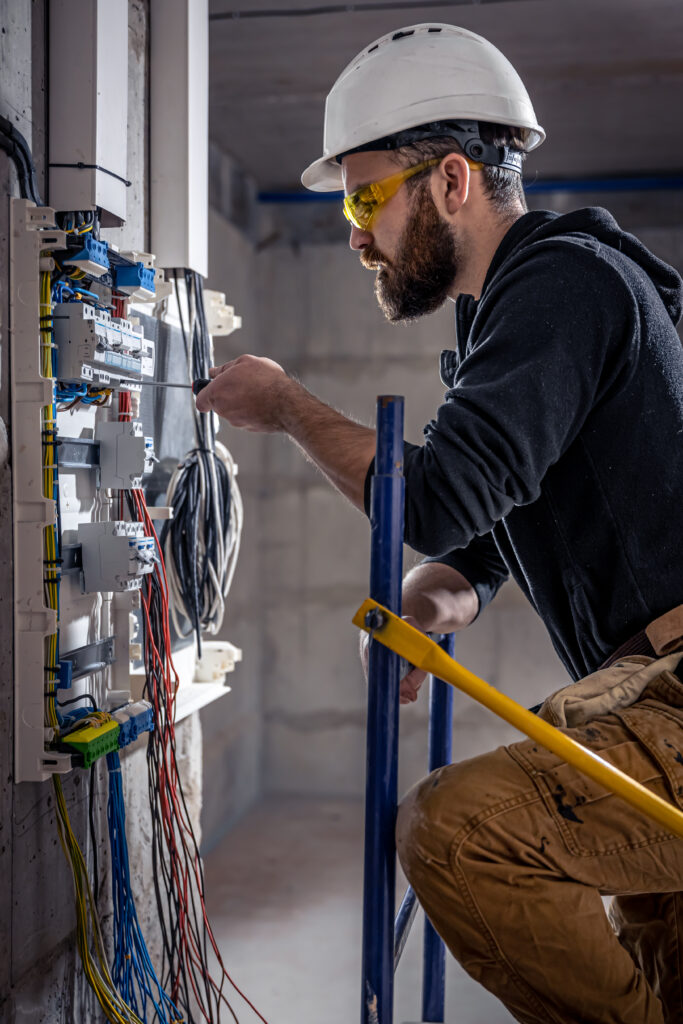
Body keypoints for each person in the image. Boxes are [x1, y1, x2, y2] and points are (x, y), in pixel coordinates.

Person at [196, 23, 683, 1024]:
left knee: (454, 831)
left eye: (366, 198)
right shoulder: (511, 312)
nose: (353, 232)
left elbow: (432, 498)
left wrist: (286, 404)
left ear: (451, 181)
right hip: (644, 693)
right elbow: (481, 534)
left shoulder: (562, 287)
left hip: (669, 696)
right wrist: (431, 597)